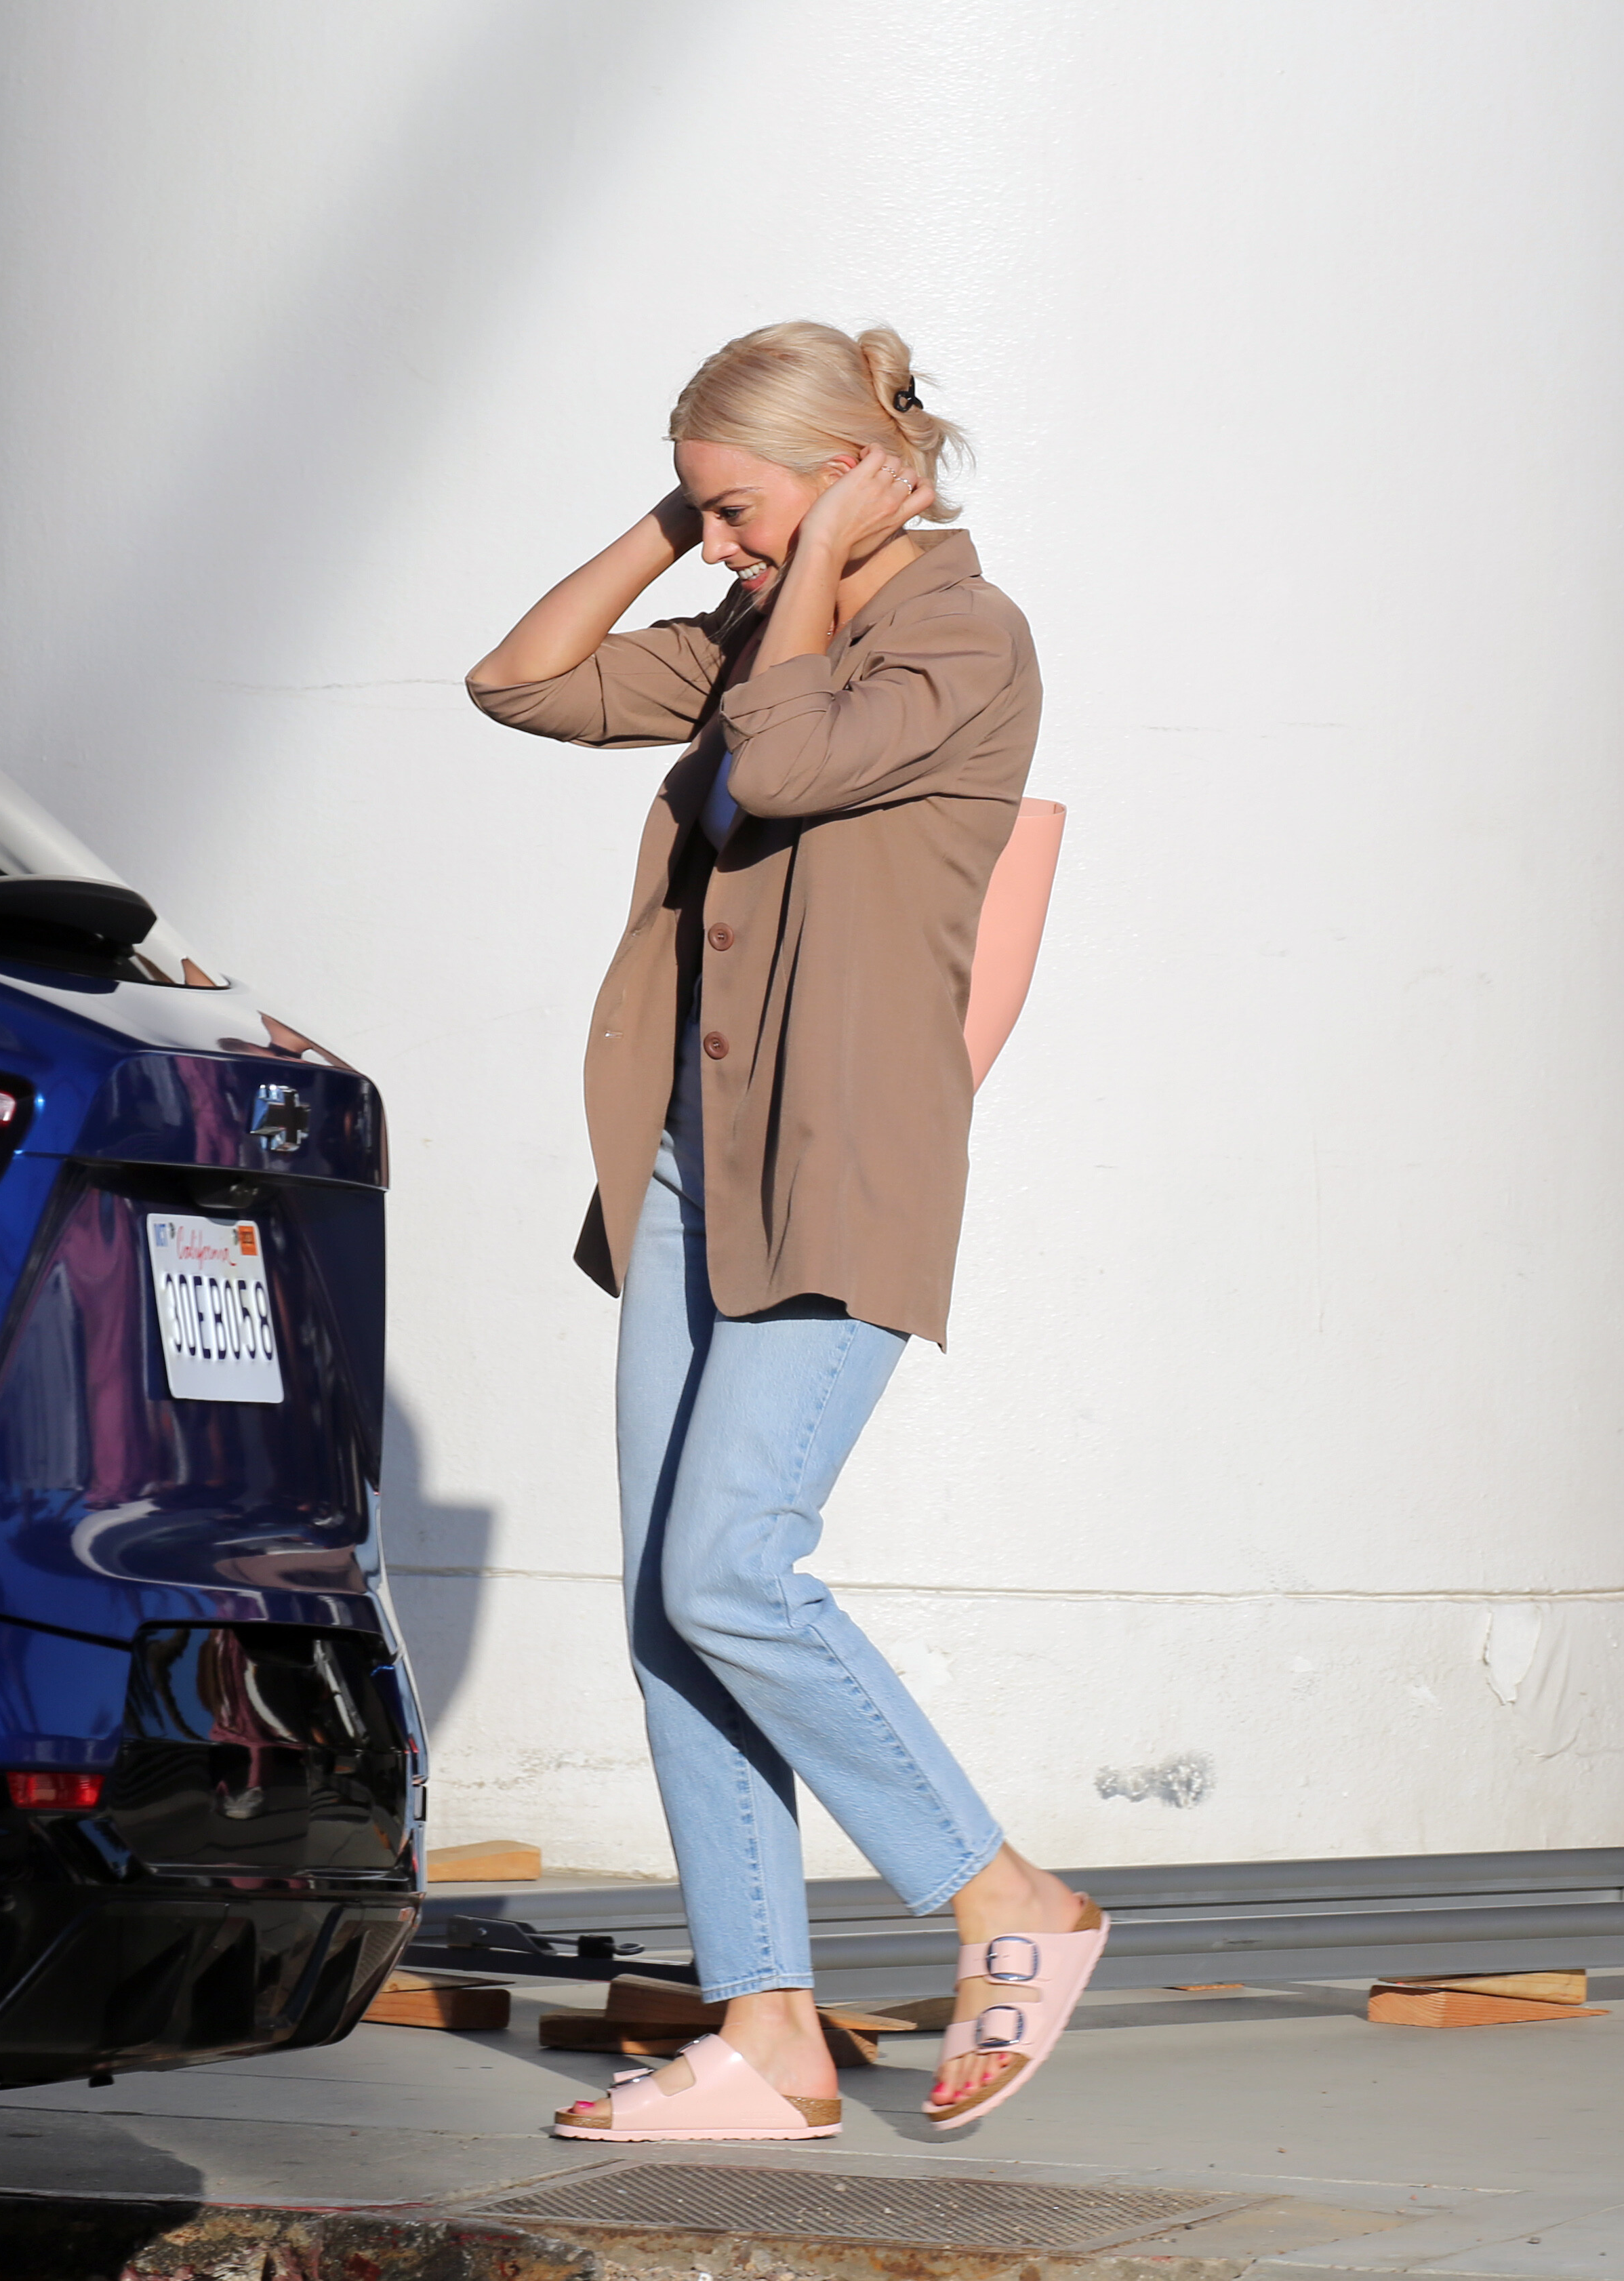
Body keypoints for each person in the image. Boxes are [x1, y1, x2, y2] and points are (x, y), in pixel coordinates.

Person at [468, 321, 1107, 2141]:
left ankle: (1009, 1897)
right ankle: (766, 2033)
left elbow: (797, 764)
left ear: (846, 480)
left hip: (842, 1162)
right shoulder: (764, 619)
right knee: (671, 1610)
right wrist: (681, 524)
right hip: (693, 1160)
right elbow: (520, 684)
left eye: (742, 509)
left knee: (731, 1570)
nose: (725, 546)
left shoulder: (962, 639)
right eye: (711, 515)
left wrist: (806, 560)